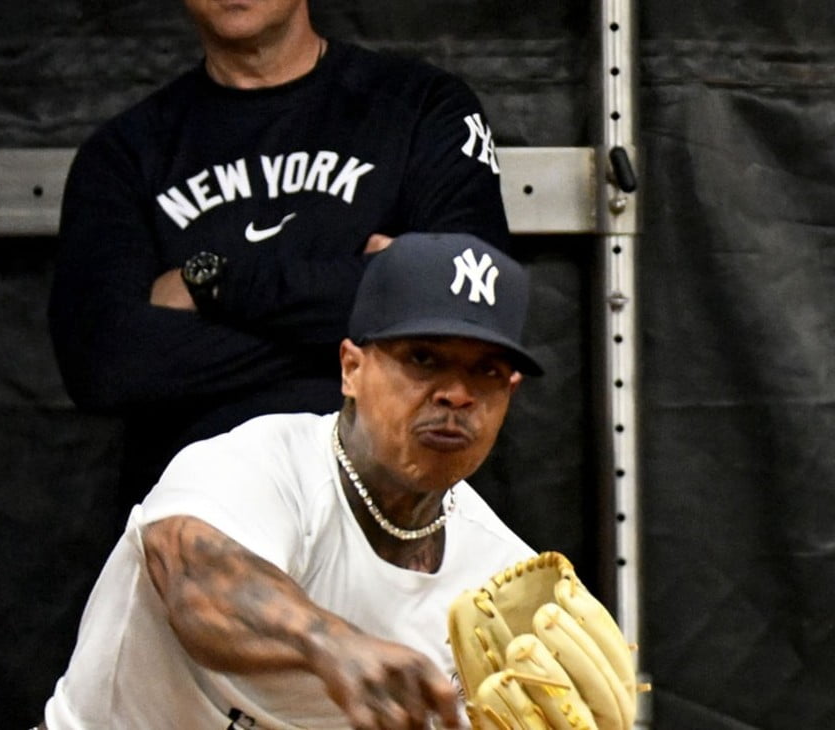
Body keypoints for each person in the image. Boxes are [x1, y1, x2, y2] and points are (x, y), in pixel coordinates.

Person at [48, 0, 511, 506]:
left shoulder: (422, 112)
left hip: (393, 515)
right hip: (198, 523)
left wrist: (209, 285)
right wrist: (370, 322)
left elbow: (467, 313)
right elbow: (108, 366)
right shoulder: (124, 156)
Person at [37, 232, 545, 730]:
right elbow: (196, 584)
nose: (457, 394)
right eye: (423, 359)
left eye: (487, 371)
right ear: (351, 368)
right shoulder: (258, 465)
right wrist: (331, 644)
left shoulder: (506, 583)